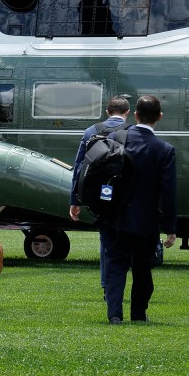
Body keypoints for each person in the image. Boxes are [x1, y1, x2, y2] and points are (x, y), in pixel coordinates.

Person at [97, 95, 177, 324]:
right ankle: (138, 313)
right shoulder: (165, 150)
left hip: (113, 216)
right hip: (146, 220)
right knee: (142, 268)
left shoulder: (115, 138)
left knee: (114, 266)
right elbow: (168, 192)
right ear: (159, 117)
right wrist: (170, 227)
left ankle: (114, 314)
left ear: (135, 115)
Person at [69, 95, 131, 292]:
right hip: (125, 196)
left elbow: (79, 167)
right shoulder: (131, 132)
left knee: (106, 240)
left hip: (98, 195)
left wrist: (75, 200)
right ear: (127, 112)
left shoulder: (91, 131)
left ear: (107, 112)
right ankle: (120, 284)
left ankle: (107, 284)